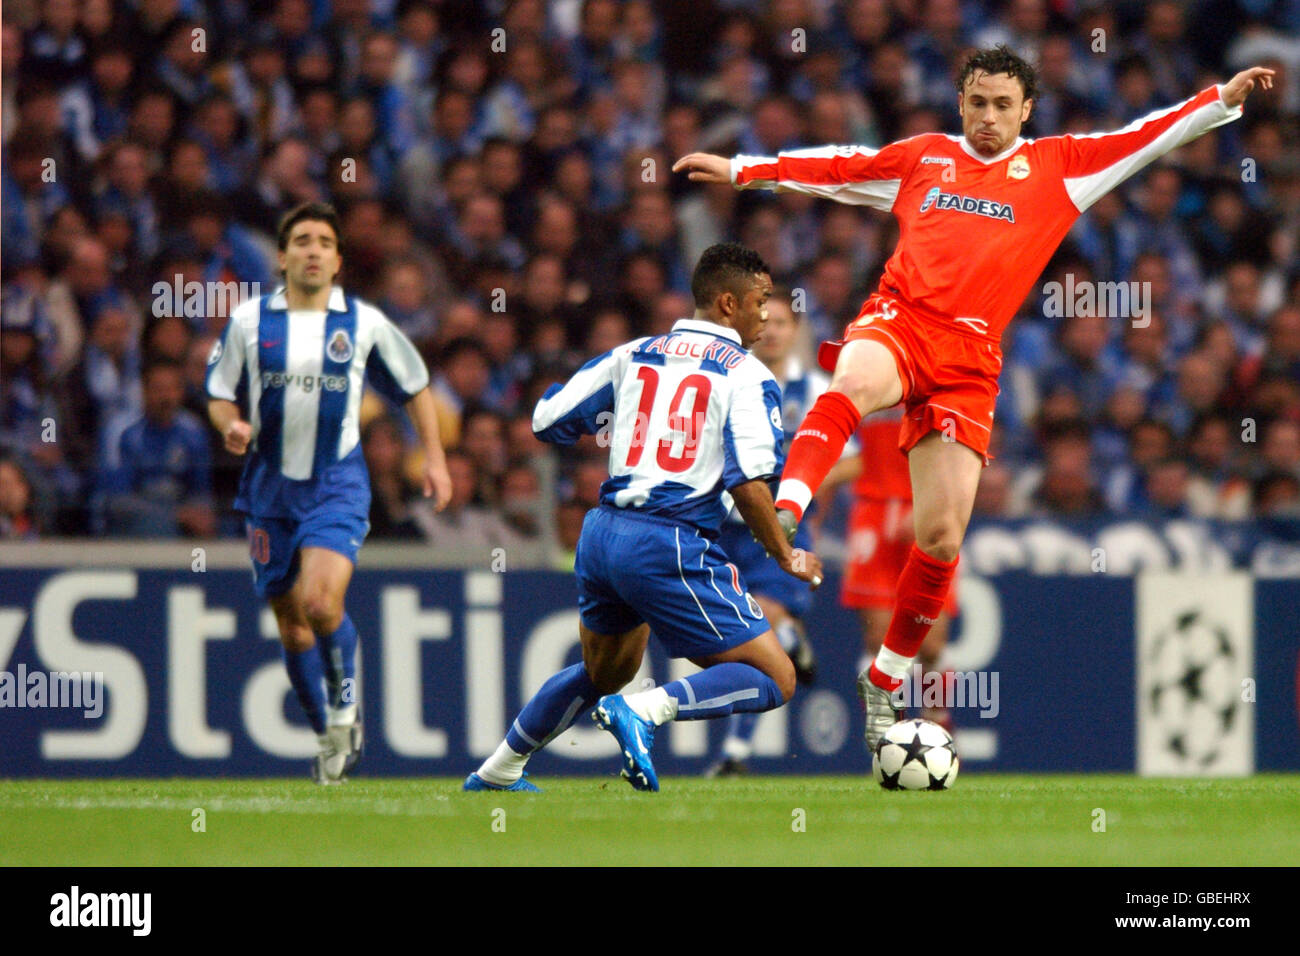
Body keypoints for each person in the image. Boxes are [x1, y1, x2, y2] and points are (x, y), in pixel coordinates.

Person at [674, 47, 1275, 749]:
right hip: (900, 318)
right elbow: (838, 168)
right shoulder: (924, 158)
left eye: (1002, 105)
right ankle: (785, 512)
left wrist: (1219, 98)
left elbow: (1146, 137)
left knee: (942, 540)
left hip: (970, 363)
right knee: (855, 384)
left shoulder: (1061, 167)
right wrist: (746, 169)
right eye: (977, 103)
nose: (988, 117)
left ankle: (887, 677)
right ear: (961, 104)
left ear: (1026, 110)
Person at [465, 242, 823, 793]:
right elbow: (749, 482)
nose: (767, 313)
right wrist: (784, 553)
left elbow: (545, 419)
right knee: (776, 676)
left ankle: (499, 770)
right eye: (760, 300)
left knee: (605, 671)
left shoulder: (632, 353)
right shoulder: (748, 376)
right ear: (728, 303)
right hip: (669, 540)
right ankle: (647, 711)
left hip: (602, 534)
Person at [206, 201, 452, 783]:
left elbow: (416, 387)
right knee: (292, 626)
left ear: (337, 259)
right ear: (284, 256)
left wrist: (435, 459)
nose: (313, 250)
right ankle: (325, 736)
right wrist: (230, 425)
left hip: (336, 484)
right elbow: (218, 392)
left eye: (323, 241)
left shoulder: (362, 324)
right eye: (301, 240)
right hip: (268, 490)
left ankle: (346, 718)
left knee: (321, 604)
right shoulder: (248, 322)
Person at [706, 294, 834, 777]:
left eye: (783, 322)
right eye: (766, 321)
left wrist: (810, 500)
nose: (774, 331)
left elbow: (852, 457)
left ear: (796, 327)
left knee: (757, 624)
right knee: (746, 638)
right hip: (728, 528)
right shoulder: (729, 383)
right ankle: (789, 640)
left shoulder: (819, 388)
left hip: (786, 529)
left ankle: (735, 756)